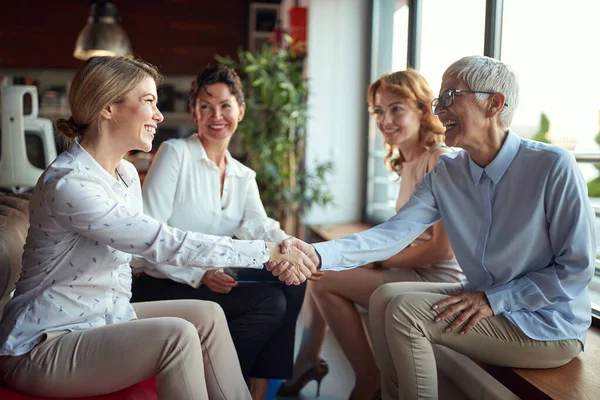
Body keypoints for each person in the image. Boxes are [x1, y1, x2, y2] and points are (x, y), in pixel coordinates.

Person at [274, 55, 595, 400]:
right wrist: (315, 253)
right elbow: (393, 233)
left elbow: (576, 269)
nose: (440, 110)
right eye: (439, 99)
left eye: (451, 97)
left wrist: (495, 298)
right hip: (484, 301)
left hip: (546, 324)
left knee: (405, 313)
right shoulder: (448, 173)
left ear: (494, 104)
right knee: (384, 298)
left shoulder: (551, 166)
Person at [0, 56, 315, 400]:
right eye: (149, 101)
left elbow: (125, 270)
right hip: (41, 346)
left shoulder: (125, 174)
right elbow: (162, 242)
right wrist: (265, 252)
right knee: (177, 336)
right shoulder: (71, 184)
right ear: (108, 107)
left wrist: (284, 245)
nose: (159, 115)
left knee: (208, 314)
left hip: (103, 319)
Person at [278, 69, 463, 400]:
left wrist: (379, 262)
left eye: (396, 109)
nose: (385, 119)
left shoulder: (439, 159)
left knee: (321, 277)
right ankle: (312, 360)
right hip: (409, 267)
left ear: (422, 111)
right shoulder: (407, 161)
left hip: (436, 279)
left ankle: (365, 378)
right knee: (319, 270)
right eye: (379, 110)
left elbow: (442, 251)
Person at [130, 64, 306, 400]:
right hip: (159, 282)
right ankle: (224, 386)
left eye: (225, 105)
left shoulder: (243, 175)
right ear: (194, 112)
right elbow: (144, 239)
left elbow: (259, 226)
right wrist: (199, 273)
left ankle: (258, 387)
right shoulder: (175, 154)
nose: (216, 115)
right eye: (206, 106)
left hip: (209, 279)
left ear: (240, 110)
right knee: (268, 302)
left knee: (293, 280)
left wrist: (295, 250)